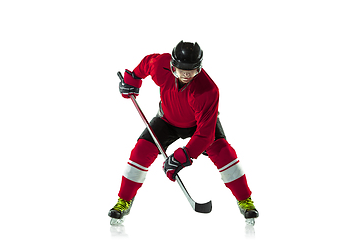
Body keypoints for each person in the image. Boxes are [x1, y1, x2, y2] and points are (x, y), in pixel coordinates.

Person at [109, 41, 259, 222]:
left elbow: (205, 134)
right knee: (140, 152)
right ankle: (123, 201)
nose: (186, 75)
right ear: (172, 66)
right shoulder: (160, 66)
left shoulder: (208, 90)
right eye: (182, 70)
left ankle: (245, 201)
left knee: (225, 154)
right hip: (167, 120)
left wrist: (185, 155)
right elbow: (147, 63)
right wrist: (133, 78)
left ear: (199, 68)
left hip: (200, 125)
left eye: (192, 71)